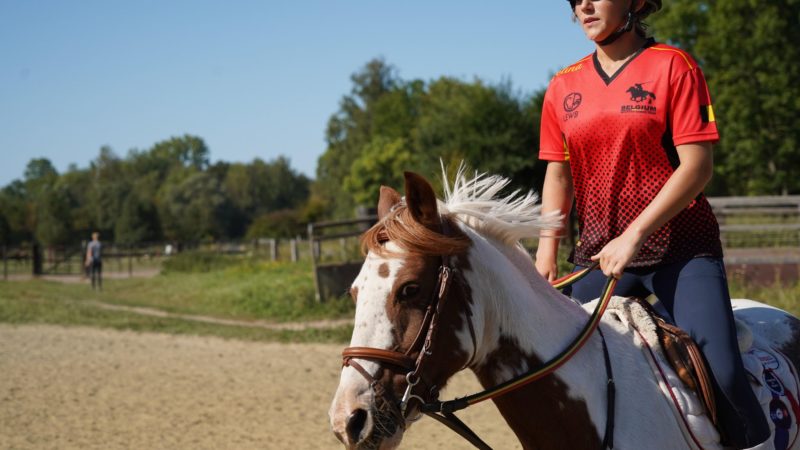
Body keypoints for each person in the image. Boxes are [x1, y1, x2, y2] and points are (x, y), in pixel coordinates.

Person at [534, 0, 770, 447]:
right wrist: (546, 251)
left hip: (682, 251)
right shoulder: (562, 86)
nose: (583, 4)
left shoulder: (674, 67)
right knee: (550, 365)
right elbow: (556, 174)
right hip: (599, 259)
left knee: (720, 370)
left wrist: (634, 235)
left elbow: (696, 166)